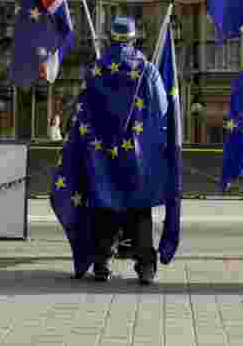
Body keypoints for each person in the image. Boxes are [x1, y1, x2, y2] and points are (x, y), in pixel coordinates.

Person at [57, 16, 169, 285]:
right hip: (136, 155)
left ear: (109, 39)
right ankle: (145, 267)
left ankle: (101, 263)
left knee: (105, 205)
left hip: (102, 155)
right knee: (139, 209)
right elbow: (161, 109)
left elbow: (83, 111)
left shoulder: (96, 69)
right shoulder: (148, 70)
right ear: (134, 39)